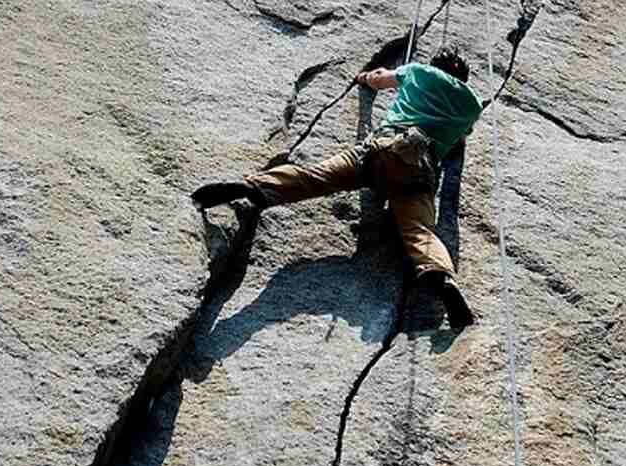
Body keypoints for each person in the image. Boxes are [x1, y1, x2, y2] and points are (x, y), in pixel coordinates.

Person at [191, 45, 483, 330]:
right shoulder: (472, 106)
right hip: (419, 171)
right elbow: (460, 139)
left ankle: (252, 187)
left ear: (436, 65)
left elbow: (379, 79)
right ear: (464, 79)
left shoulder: (421, 72)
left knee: (315, 177)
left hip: (382, 149)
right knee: (419, 231)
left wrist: (364, 78)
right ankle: (441, 278)